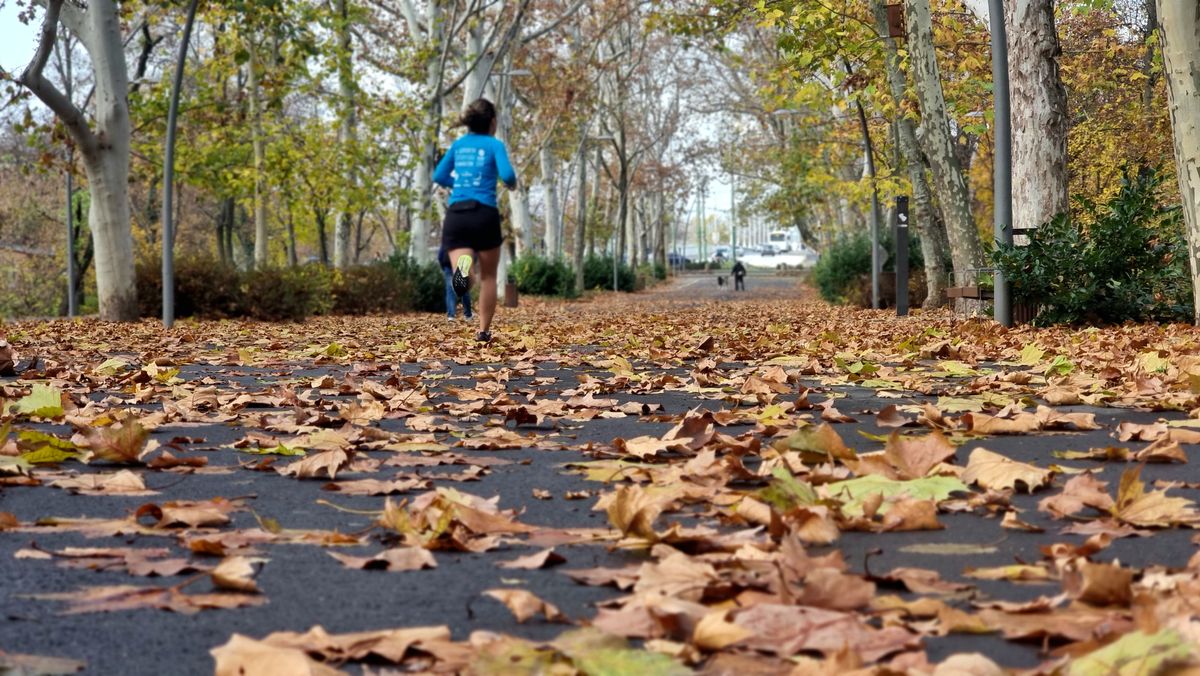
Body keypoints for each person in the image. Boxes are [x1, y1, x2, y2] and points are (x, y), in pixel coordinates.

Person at [433, 98, 517, 343]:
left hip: (457, 214)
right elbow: (507, 174)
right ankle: (483, 331)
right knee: (489, 277)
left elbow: (439, 174)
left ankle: (464, 274)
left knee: (464, 273)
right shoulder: (494, 144)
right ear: (492, 122)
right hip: (484, 214)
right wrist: (511, 184)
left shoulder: (458, 144)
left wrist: (461, 184)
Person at [438, 245, 473, 321]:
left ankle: (451, 315)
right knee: (464, 288)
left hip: (448, 264)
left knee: (450, 290)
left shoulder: (448, 239)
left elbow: (441, 254)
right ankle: (468, 315)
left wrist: (443, 266)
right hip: (461, 263)